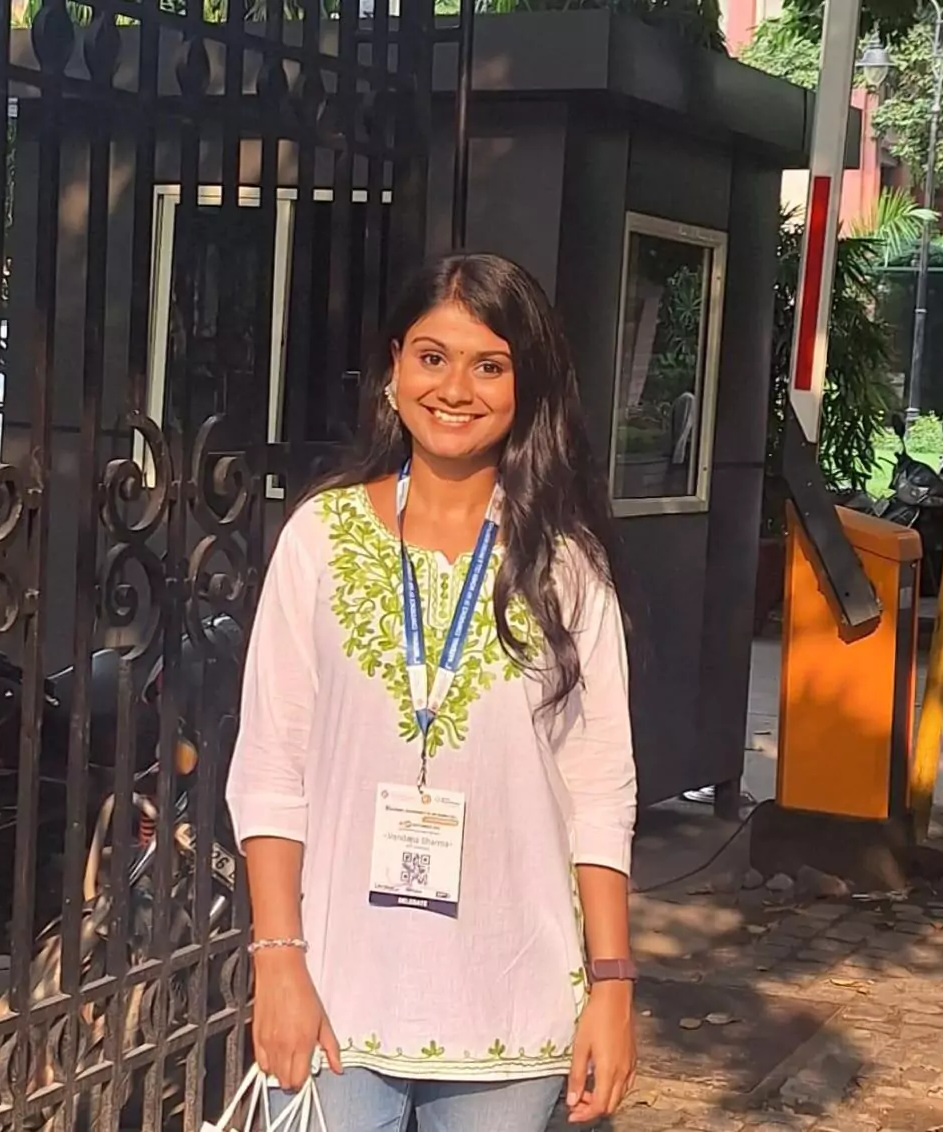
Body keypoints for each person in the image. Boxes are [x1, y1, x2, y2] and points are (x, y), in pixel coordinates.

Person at [226, 252, 638, 1131]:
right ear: (394, 367)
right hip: (335, 1000)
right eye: (432, 357)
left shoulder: (566, 569)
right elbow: (269, 770)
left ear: (526, 385)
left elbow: (601, 791)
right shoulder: (320, 541)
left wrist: (612, 987)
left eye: (489, 365)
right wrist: (277, 961)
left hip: (512, 1008)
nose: (455, 389)